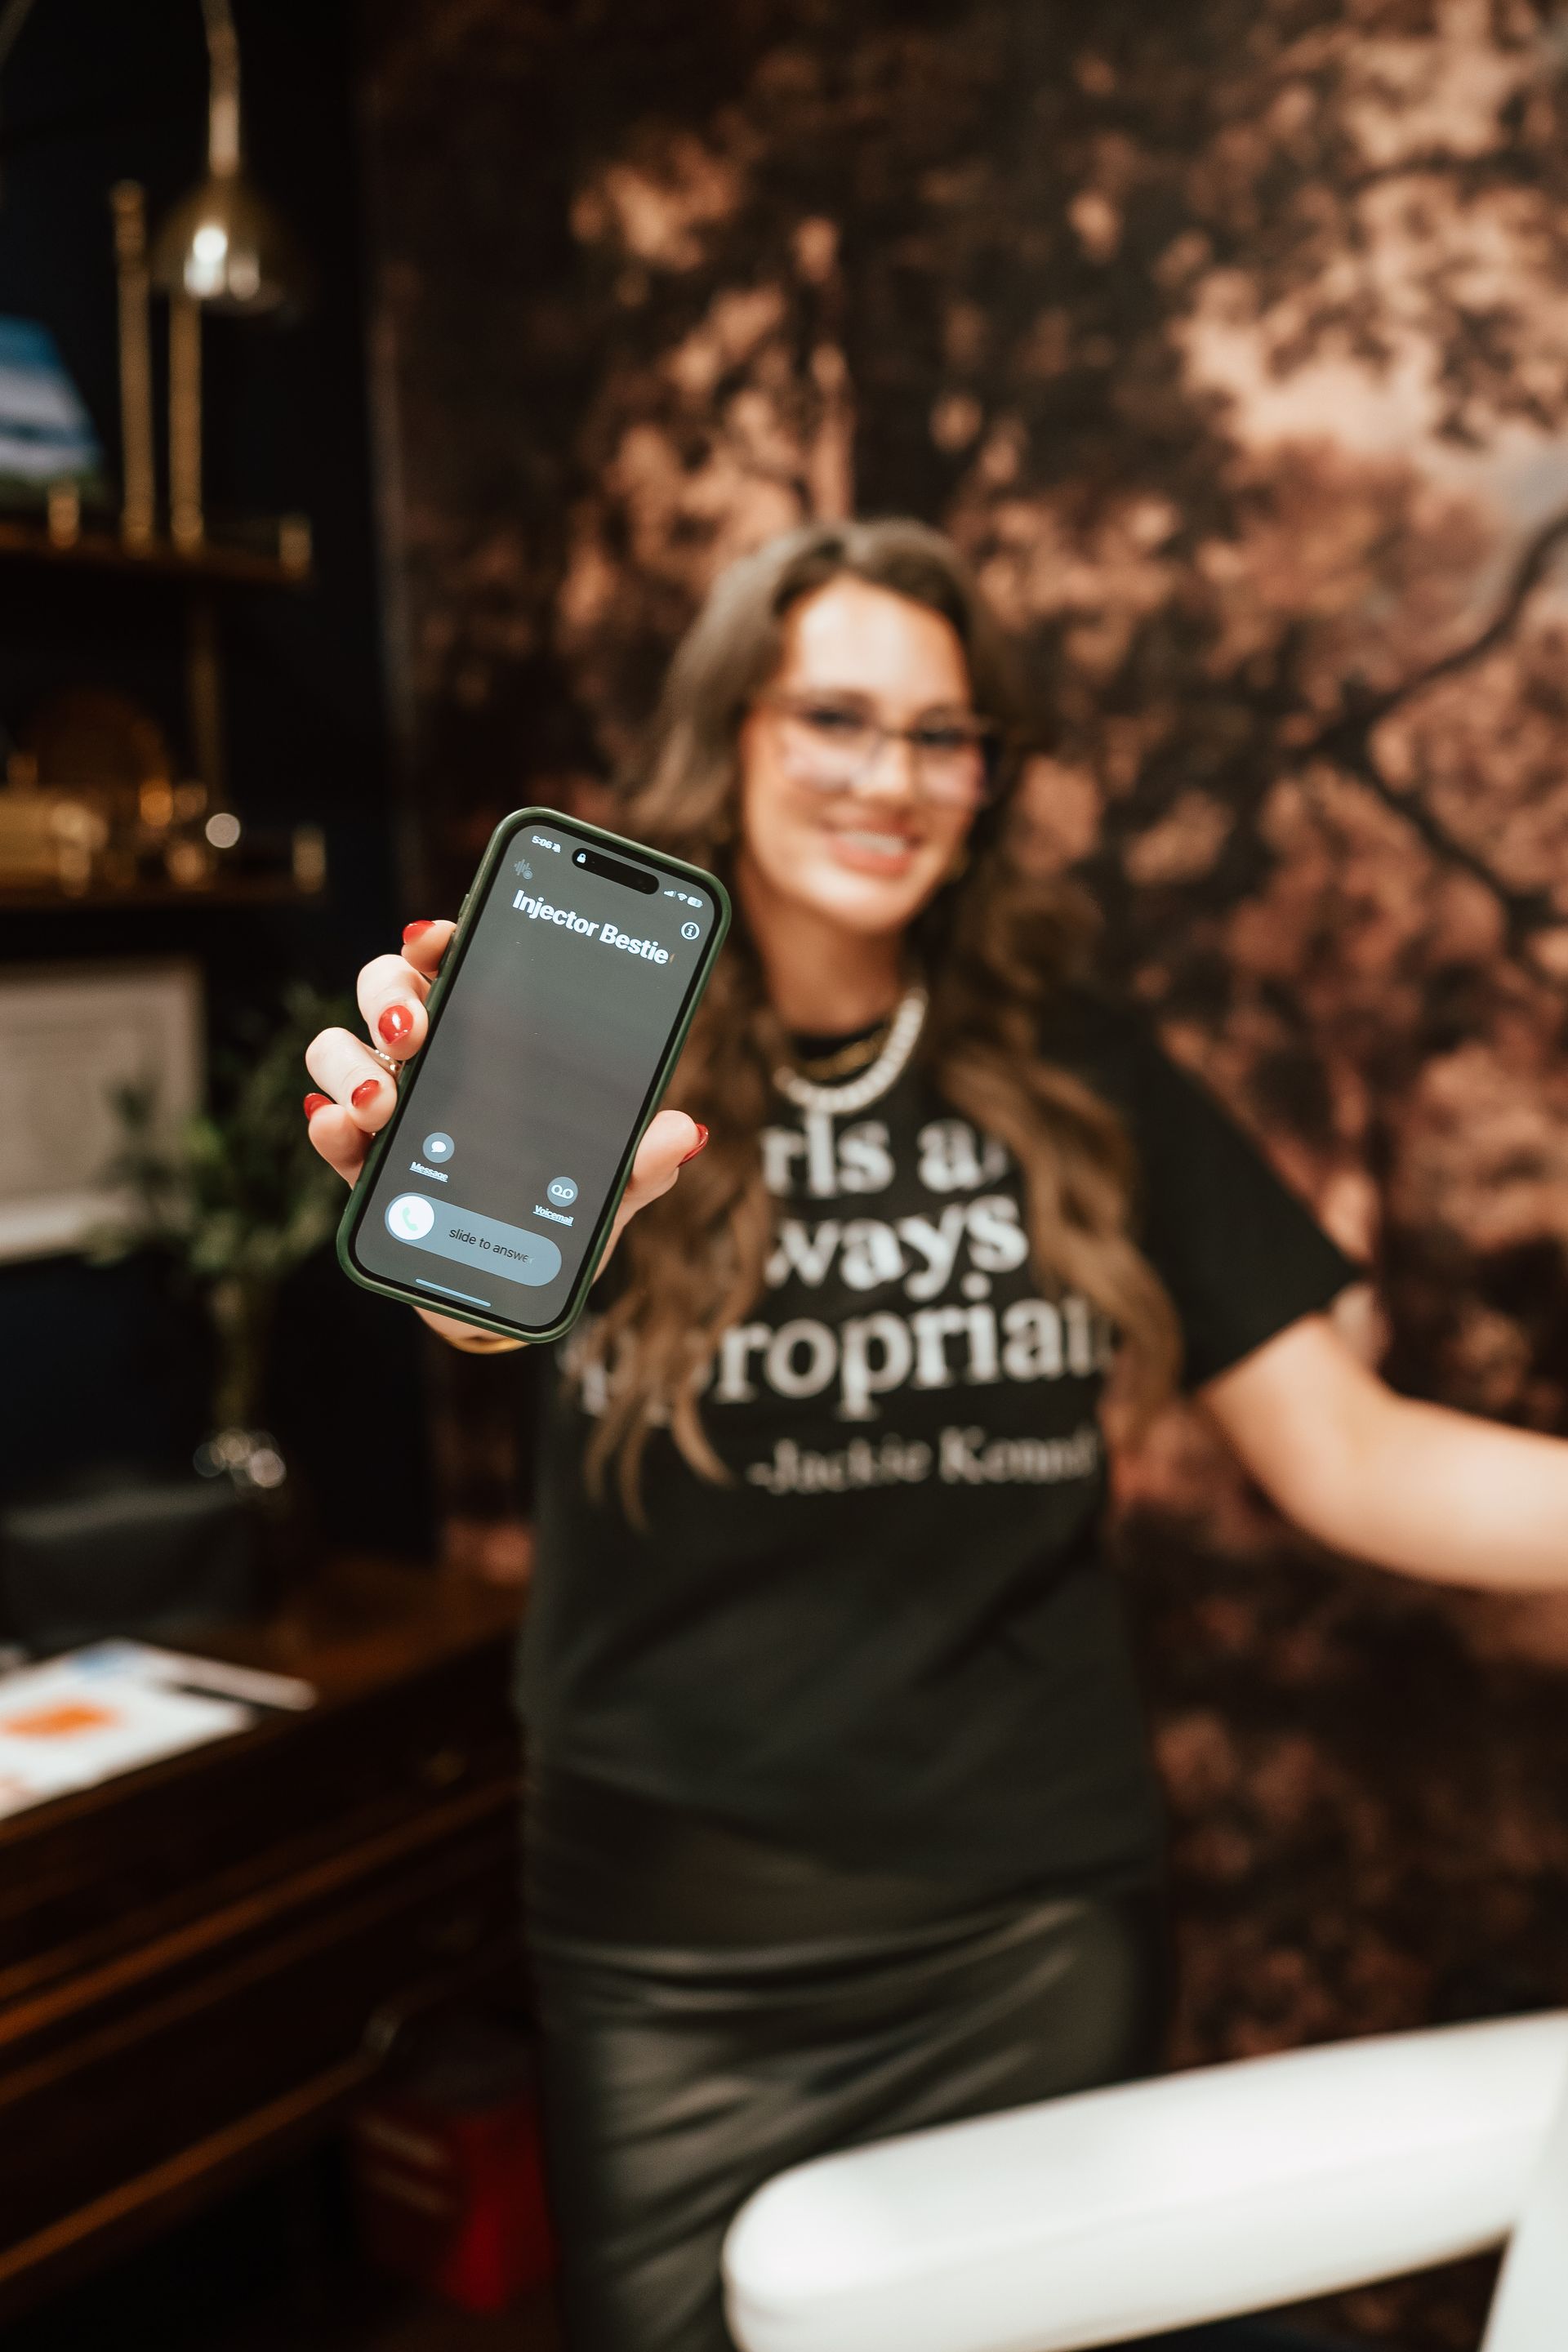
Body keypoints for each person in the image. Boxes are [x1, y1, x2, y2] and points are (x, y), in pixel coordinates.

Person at [302, 519, 1568, 2352]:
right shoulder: (612, 1040)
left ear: (986, 776)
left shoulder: (1076, 1065)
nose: (889, 778)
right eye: (835, 716)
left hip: (1027, 1926)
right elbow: (481, 1305)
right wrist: (457, 1240)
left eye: (941, 735)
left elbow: (1350, 1454)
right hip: (672, 1940)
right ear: (736, 732)